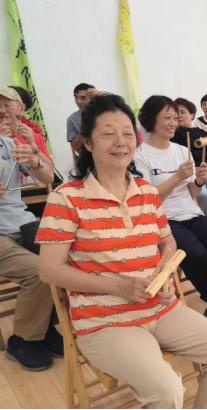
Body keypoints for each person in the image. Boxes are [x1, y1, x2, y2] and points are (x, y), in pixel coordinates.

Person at [36, 94, 207, 408]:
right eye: (108, 133)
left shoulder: (146, 192)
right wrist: (119, 286)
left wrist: (165, 278)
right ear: (87, 143)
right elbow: (49, 270)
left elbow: (168, 243)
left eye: (126, 132)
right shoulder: (66, 198)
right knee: (166, 389)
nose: (120, 141)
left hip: (159, 307)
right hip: (104, 320)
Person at [134, 95, 207, 334]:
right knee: (198, 256)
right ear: (151, 120)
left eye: (175, 117)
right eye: (167, 118)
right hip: (165, 220)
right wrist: (177, 177)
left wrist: (199, 182)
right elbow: (148, 201)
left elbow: (191, 193)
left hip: (191, 213)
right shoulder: (140, 155)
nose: (173, 122)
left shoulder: (182, 151)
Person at [0, 93, 62, 372]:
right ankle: (23, 340)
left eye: (5, 106)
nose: (3, 112)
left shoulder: (10, 143)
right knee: (40, 271)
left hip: (21, 224)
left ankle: (46, 330)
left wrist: (34, 158)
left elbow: (48, 177)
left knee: (65, 258)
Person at [172, 97, 207, 218]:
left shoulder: (200, 132)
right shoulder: (173, 135)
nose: (179, 116)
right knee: (203, 195)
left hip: (206, 170)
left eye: (182, 112)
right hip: (190, 174)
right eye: (176, 113)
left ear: (192, 115)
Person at [0, 87, 53, 170]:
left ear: (22, 108)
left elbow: (50, 171)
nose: (2, 110)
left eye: (7, 105)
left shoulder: (32, 136)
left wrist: (33, 145)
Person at [66, 83, 96, 153]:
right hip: (87, 155)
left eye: (83, 98)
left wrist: (99, 94)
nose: (79, 101)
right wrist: (85, 128)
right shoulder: (72, 119)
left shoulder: (102, 112)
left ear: (92, 98)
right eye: (76, 98)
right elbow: (75, 147)